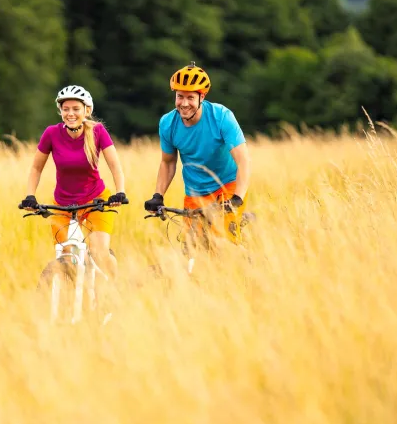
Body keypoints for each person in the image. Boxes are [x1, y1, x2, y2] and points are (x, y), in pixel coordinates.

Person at [21, 85, 127, 279]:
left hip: (95, 201)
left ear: (87, 110)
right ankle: (76, 295)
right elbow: (36, 168)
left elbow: (115, 166)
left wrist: (120, 192)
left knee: (100, 253)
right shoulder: (51, 133)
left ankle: (116, 288)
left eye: (76, 109)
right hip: (63, 204)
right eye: (66, 109)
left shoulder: (97, 131)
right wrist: (30, 196)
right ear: (60, 111)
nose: (70, 113)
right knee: (68, 261)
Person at [143, 62, 251, 245]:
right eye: (180, 97)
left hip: (227, 186)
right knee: (193, 247)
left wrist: (237, 198)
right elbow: (168, 162)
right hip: (195, 192)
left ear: (202, 97)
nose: (184, 104)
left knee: (222, 241)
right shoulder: (168, 124)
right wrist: (158, 195)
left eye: (190, 98)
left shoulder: (222, 117)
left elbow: (243, 161)